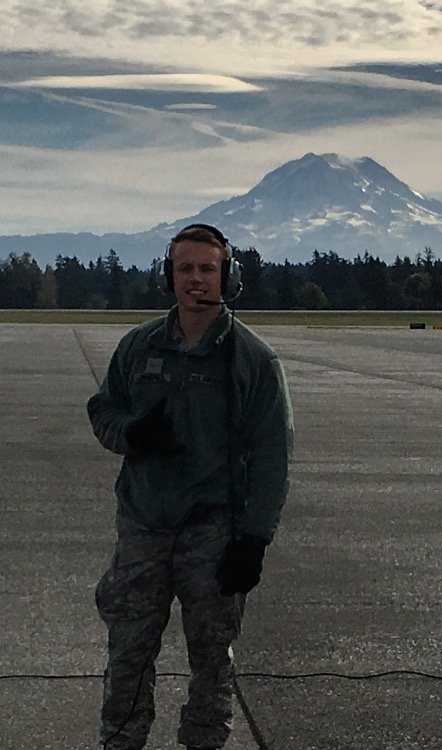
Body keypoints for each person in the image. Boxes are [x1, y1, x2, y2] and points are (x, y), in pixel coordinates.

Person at [87, 224, 293, 750]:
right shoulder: (139, 346)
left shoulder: (253, 360)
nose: (196, 279)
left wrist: (254, 540)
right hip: (143, 526)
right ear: (168, 276)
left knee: (212, 658)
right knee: (128, 653)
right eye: (185, 268)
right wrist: (131, 433)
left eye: (207, 268)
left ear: (228, 276)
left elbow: (273, 456)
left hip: (213, 533)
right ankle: (121, 741)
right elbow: (104, 409)